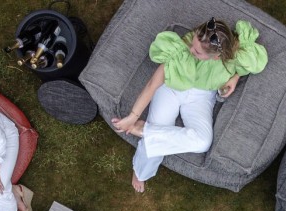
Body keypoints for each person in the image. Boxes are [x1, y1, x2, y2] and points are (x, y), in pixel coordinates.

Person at [112, 17, 268, 192]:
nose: (190, 49)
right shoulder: (181, 51)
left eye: (197, 52)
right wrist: (132, 116)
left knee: (202, 141)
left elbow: (246, 64)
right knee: (158, 132)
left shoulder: (231, 56)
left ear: (217, 57)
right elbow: (152, 84)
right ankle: (140, 172)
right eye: (193, 44)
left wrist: (235, 77)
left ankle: (144, 130)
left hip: (200, 98)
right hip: (171, 89)